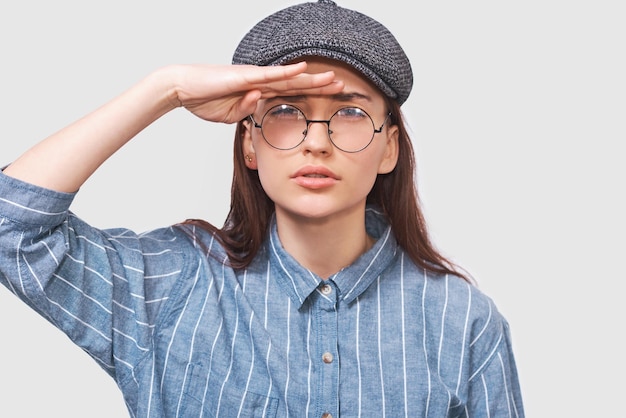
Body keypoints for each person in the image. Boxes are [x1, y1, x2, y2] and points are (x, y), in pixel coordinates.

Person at [0, 0, 524, 416]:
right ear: (249, 143)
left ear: (389, 147)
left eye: (348, 112)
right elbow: (12, 227)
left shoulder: (464, 323)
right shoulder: (175, 285)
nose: (316, 142)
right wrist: (168, 89)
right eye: (286, 112)